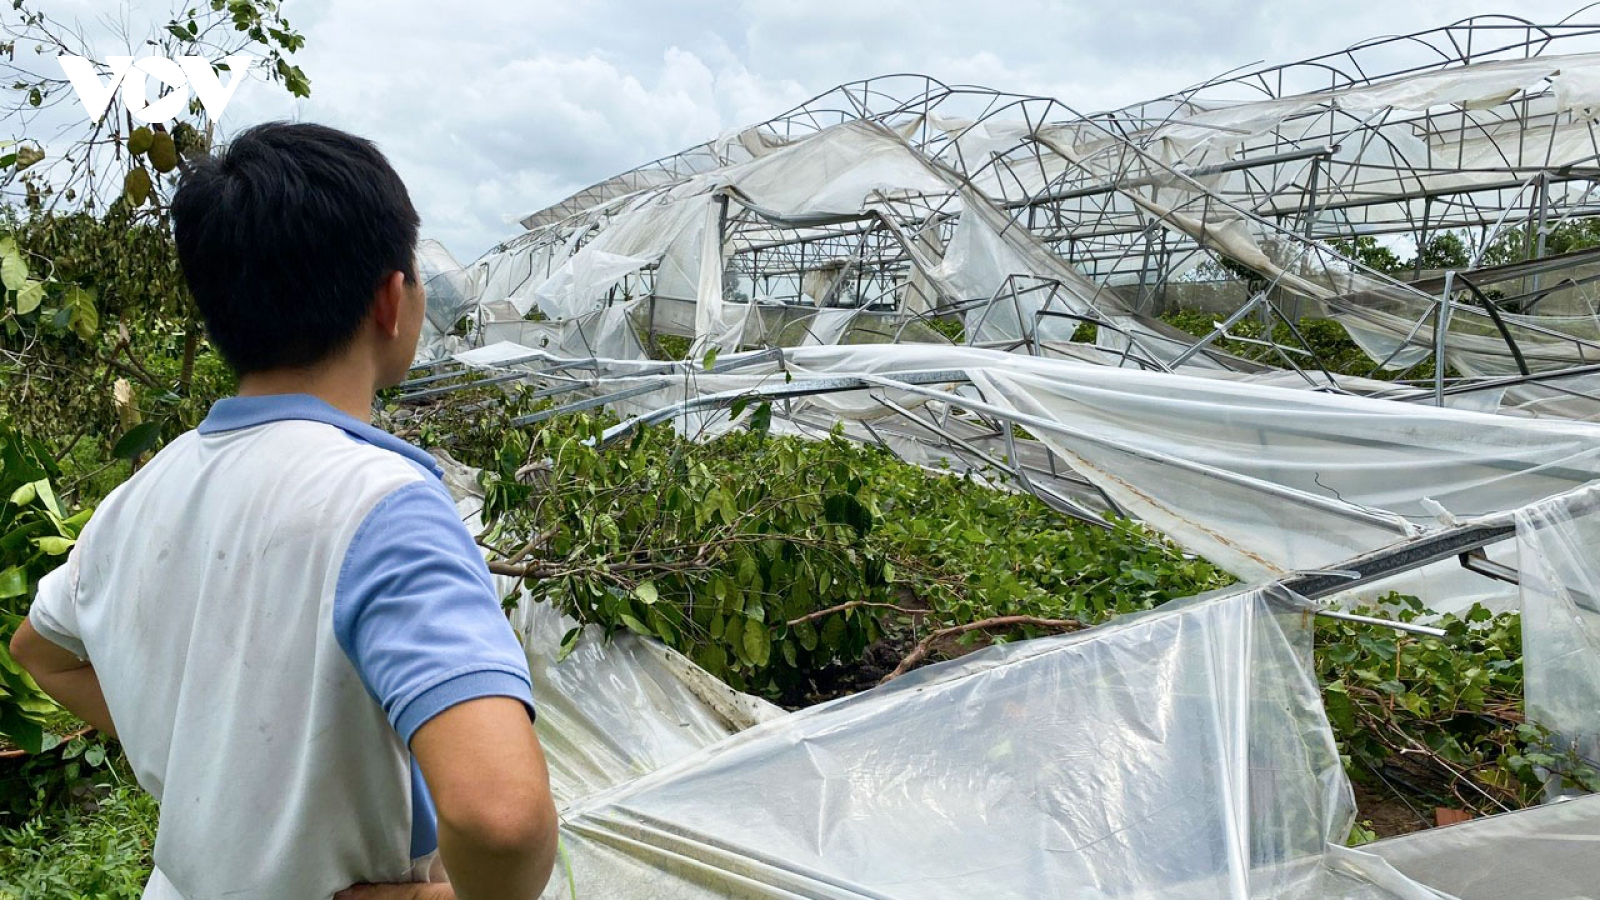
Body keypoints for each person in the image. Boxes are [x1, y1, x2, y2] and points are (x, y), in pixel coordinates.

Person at [8, 122, 558, 900]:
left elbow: (41, 650)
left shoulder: (142, 495)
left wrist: (203, 760)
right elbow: (503, 818)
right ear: (391, 299)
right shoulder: (383, 505)